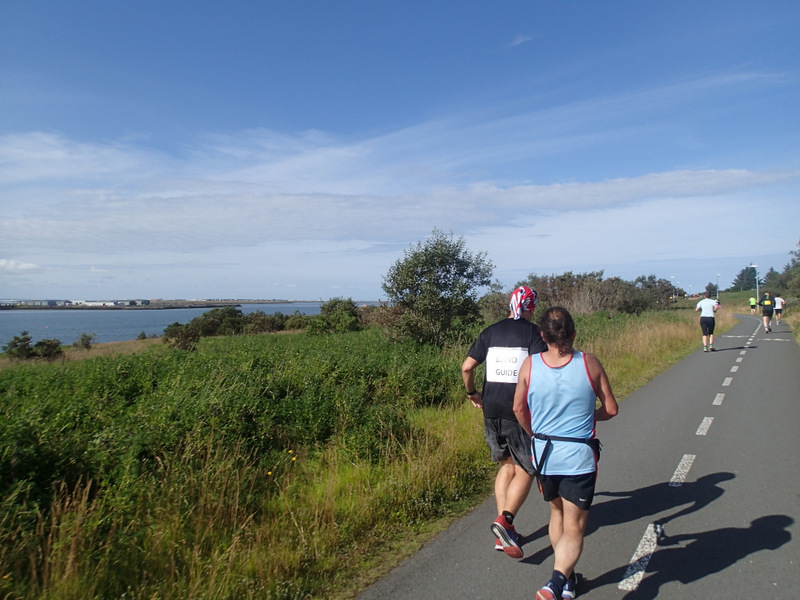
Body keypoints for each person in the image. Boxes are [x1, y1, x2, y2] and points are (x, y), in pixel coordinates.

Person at [513, 307, 618, 600]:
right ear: (572, 333)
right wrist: (587, 416)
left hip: (544, 454)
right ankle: (556, 582)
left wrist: (534, 433)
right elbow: (611, 408)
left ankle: (568, 581)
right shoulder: (589, 363)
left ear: (542, 335)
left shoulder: (530, 365)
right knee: (575, 524)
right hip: (578, 456)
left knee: (556, 514)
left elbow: (518, 408)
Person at [462, 285, 547, 558]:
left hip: (491, 409)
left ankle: (504, 533)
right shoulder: (534, 334)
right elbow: (541, 371)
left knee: (507, 466)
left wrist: (472, 393)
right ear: (531, 308)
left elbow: (466, 367)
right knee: (528, 467)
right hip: (518, 410)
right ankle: (506, 520)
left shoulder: (490, 331)